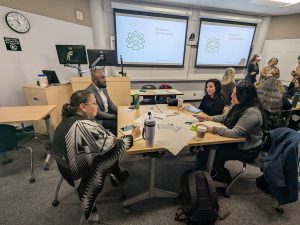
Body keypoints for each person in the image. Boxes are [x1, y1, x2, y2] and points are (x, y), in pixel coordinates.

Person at [52, 90, 141, 223]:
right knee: (109, 154)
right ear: (83, 106)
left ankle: (118, 177)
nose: (97, 107)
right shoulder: (85, 126)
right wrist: (133, 135)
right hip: (78, 175)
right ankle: (118, 177)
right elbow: (116, 148)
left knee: (106, 151)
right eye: (94, 103)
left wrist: (108, 139)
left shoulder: (67, 121)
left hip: (65, 168)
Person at [195, 80, 263, 184]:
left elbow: (234, 133)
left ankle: (223, 178)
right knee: (206, 149)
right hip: (236, 142)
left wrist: (212, 129)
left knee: (213, 152)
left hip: (247, 149)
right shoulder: (238, 104)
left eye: (235, 94)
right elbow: (223, 117)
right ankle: (201, 174)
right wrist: (208, 118)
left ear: (244, 96)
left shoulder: (252, 113)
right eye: (233, 92)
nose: (231, 96)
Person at [86, 68, 118, 135]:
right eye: (102, 78)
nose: (105, 80)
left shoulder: (103, 88)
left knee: (122, 117)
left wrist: (119, 111)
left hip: (106, 112)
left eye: (105, 77)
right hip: (99, 119)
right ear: (95, 80)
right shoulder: (89, 92)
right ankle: (112, 140)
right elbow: (99, 114)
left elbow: (111, 104)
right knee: (118, 123)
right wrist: (116, 116)